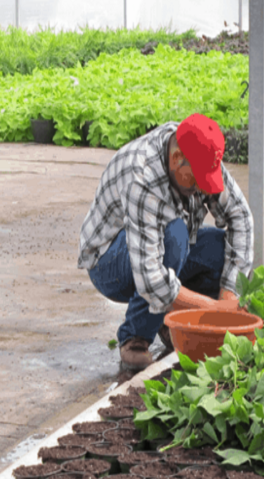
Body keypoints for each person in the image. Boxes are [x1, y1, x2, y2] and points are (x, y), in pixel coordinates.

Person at [78, 114, 254, 370]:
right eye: (196, 179)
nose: (200, 188)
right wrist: (215, 310)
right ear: (176, 160)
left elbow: (241, 218)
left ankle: (168, 319)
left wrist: (228, 296)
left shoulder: (199, 151)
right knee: (174, 233)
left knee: (219, 249)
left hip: (160, 248)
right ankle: (135, 337)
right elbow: (151, 280)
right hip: (109, 262)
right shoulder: (142, 175)